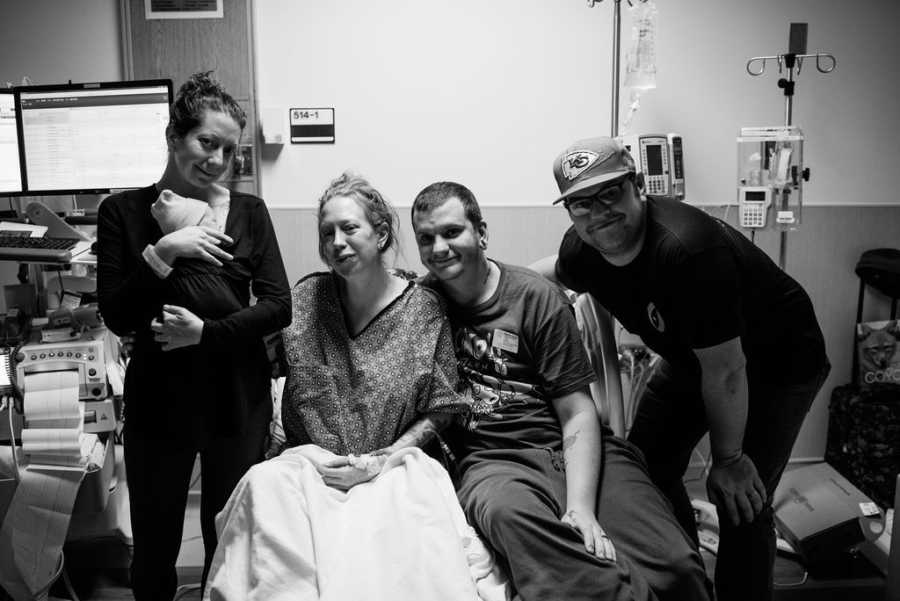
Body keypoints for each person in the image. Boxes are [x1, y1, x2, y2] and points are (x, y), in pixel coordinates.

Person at [537, 136, 830, 601]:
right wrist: (480, 286)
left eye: (610, 193)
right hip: (696, 360)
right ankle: (688, 586)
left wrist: (730, 459)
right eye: (581, 203)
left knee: (740, 501)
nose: (598, 213)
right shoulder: (582, 250)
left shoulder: (687, 249)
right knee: (647, 469)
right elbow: (547, 273)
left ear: (638, 185)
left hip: (777, 362)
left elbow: (729, 370)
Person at [204, 173, 509, 601]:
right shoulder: (307, 299)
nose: (337, 242)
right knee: (260, 490)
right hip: (310, 465)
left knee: (393, 554)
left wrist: (385, 459)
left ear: (381, 233)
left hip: (393, 468)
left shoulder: (423, 310)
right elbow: (264, 366)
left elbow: (443, 408)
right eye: (327, 232)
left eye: (349, 228)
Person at [411, 181, 710, 601]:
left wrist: (581, 507)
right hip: (491, 462)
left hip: (570, 446)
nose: (439, 248)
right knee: (510, 518)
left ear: (481, 231)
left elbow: (577, 411)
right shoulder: (420, 308)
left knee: (677, 567)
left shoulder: (535, 298)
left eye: (452, 232)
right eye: (426, 238)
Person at [97, 71, 292, 601]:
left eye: (229, 150)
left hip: (237, 394)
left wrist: (206, 333)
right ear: (174, 136)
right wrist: (166, 251)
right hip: (160, 398)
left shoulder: (249, 212)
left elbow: (279, 307)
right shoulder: (123, 213)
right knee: (156, 543)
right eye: (207, 142)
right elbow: (117, 315)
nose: (217, 160)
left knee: (228, 538)